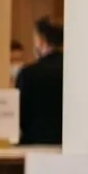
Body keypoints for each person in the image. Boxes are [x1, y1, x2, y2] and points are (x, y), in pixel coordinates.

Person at [16, 17, 64, 145]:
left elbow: (19, 117)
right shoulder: (74, 73)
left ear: (41, 41)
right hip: (66, 146)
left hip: (34, 145)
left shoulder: (28, 73)